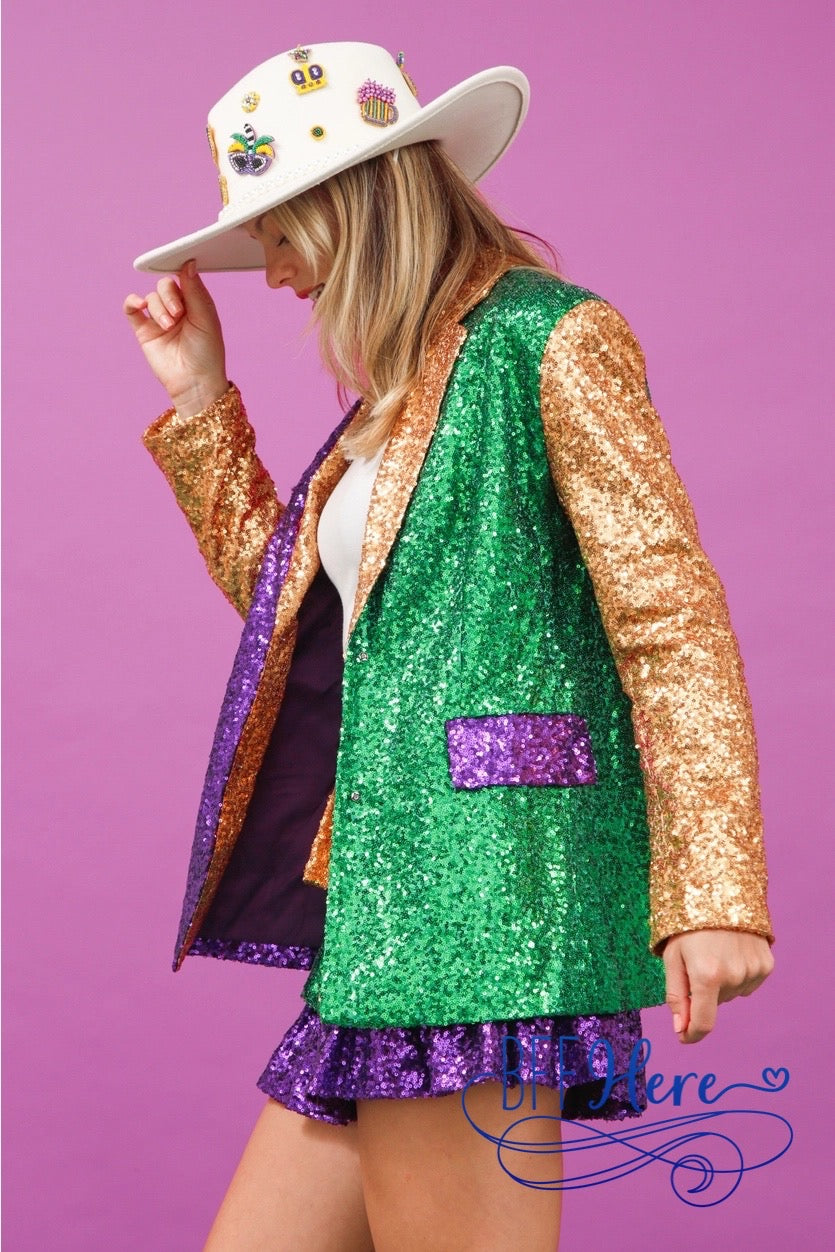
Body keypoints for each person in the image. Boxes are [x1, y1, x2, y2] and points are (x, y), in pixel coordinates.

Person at [124, 41, 775, 1252]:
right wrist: (202, 400)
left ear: (351, 204)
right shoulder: (391, 400)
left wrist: (714, 890)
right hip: (383, 914)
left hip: (488, 912)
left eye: (279, 236)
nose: (274, 274)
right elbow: (306, 618)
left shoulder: (550, 339)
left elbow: (671, 616)